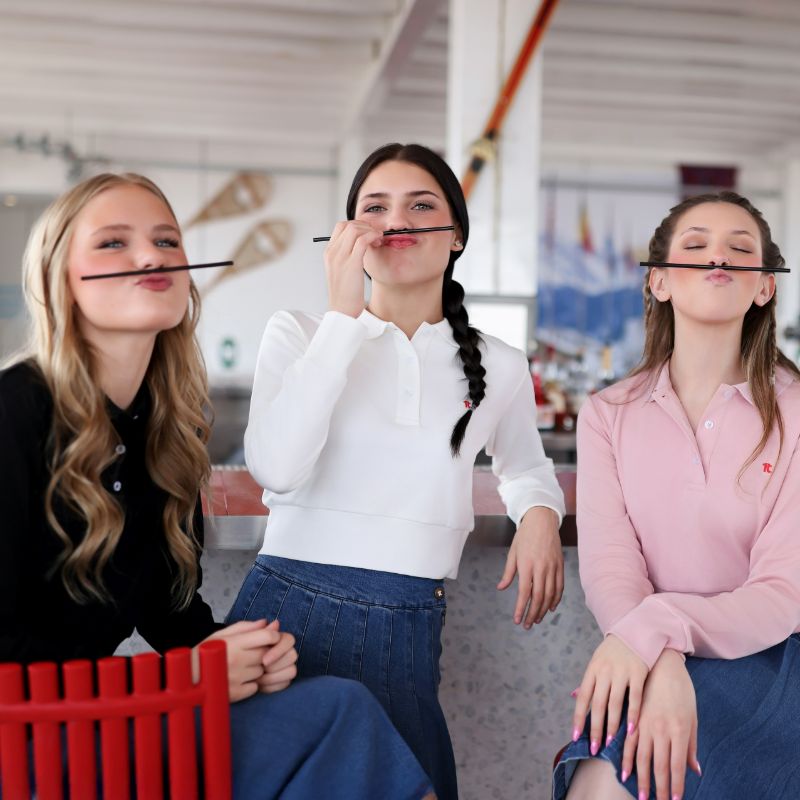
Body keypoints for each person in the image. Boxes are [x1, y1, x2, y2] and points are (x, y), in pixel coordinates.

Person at [0, 172, 435, 800]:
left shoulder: (163, 435)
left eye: (167, 241)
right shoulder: (12, 414)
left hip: (105, 721)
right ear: (58, 277)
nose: (150, 256)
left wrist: (241, 657)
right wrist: (189, 677)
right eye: (113, 244)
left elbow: (172, 614)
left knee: (341, 707)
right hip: (28, 747)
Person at [228, 142, 566, 799]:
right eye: (373, 208)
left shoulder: (500, 364)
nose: (394, 220)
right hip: (282, 619)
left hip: (406, 629)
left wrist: (541, 518)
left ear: (456, 235)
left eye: (420, 205)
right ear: (348, 234)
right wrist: (341, 316)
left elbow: (526, 466)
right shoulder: (300, 331)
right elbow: (276, 468)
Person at [553, 191, 800, 800]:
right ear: (659, 281)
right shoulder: (607, 413)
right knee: (596, 780)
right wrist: (660, 660)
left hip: (776, 661)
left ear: (763, 287)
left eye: (740, 249)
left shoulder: (796, 410)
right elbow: (612, 568)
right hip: (647, 652)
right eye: (696, 245)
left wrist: (656, 633)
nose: (718, 256)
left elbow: (784, 593)